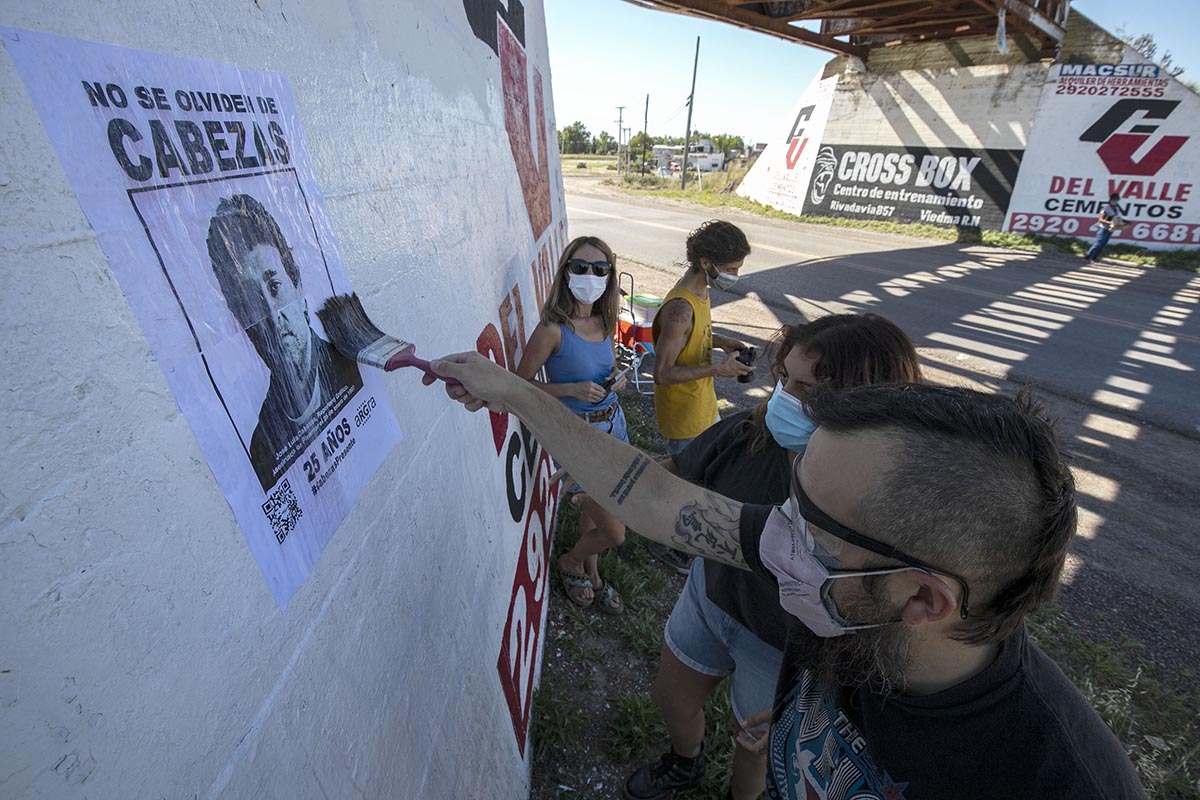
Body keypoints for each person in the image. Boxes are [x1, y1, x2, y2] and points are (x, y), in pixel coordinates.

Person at [424, 354, 1146, 800]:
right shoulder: (860, 608)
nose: (775, 535)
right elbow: (660, 498)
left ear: (923, 596)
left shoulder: (1055, 779)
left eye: (809, 525)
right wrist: (515, 394)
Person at [626, 314, 923, 800]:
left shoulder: (890, 504)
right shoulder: (753, 432)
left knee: (760, 752)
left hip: (788, 648)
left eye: (809, 391)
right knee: (673, 697)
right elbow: (674, 472)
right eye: (784, 378)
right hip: (711, 595)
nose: (784, 398)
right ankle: (684, 762)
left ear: (868, 402)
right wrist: (606, 481)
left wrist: (821, 686)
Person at [207, 194, 363, 491]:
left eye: (275, 287)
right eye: (253, 303)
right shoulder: (263, 445)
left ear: (298, 289)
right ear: (244, 324)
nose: (271, 317)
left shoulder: (348, 364)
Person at [517, 236, 630, 614]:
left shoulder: (604, 320)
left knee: (593, 511)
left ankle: (591, 569)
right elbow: (519, 385)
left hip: (614, 425)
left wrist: (618, 377)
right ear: (565, 271)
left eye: (600, 270)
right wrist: (570, 388)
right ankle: (570, 561)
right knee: (615, 531)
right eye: (580, 267)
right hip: (578, 436)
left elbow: (605, 367)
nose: (590, 276)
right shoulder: (552, 330)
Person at [649, 220, 753, 573]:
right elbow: (661, 374)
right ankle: (665, 543)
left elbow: (698, 334)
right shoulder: (680, 309)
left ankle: (637, 494)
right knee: (695, 486)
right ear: (707, 263)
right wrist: (717, 370)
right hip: (684, 415)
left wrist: (723, 343)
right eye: (732, 269)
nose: (735, 276)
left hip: (702, 406)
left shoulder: (700, 293)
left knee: (682, 470)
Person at [1085, 192, 1124, 263]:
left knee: (1103, 244)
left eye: (1117, 200)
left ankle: (1094, 258)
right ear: (1110, 200)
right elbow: (1101, 219)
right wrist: (1110, 223)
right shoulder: (1106, 208)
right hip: (1103, 228)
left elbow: (1118, 218)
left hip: (1110, 229)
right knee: (1098, 243)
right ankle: (1088, 256)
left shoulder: (1117, 209)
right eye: (1114, 199)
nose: (1115, 201)